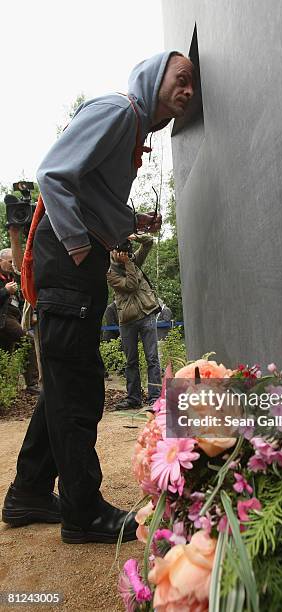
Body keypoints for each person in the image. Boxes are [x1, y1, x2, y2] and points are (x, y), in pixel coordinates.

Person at [2, 51, 194, 544]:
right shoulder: (120, 111)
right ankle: (83, 512)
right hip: (67, 259)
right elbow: (53, 173)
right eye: (183, 78)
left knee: (65, 380)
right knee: (81, 387)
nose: (189, 90)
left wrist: (130, 222)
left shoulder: (132, 131)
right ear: (156, 78)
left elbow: (94, 197)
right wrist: (81, 246)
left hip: (72, 262)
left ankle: (29, 492)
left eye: (194, 85)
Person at [107, 234, 162, 410]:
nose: (123, 252)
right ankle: (133, 398)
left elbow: (149, 242)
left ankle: (155, 398)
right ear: (112, 252)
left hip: (147, 315)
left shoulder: (133, 259)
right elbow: (130, 285)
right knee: (131, 361)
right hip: (127, 320)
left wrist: (133, 236)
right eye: (119, 250)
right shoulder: (110, 273)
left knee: (152, 358)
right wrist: (128, 263)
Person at [0, 247, 39, 394]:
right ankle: (32, 383)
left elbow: (23, 298)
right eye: (10, 262)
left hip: (13, 317)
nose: (12, 265)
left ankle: (4, 390)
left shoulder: (14, 276)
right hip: (4, 318)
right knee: (26, 342)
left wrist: (30, 315)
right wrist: (5, 291)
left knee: (5, 354)